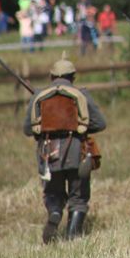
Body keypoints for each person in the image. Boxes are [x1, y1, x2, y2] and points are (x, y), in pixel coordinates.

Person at [22, 54, 107, 243]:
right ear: (73, 77)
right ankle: (72, 236)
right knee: (78, 197)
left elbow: (28, 129)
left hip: (48, 154)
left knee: (53, 193)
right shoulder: (81, 94)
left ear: (52, 77)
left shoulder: (39, 96)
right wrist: (77, 128)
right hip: (77, 151)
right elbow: (101, 123)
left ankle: (54, 212)